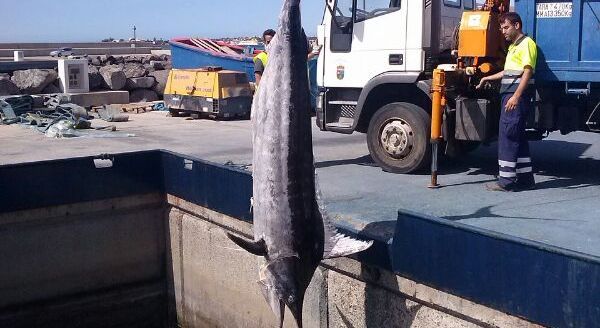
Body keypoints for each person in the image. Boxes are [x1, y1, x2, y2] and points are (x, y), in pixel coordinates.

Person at [476, 12, 537, 192]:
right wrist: (488, 78)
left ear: (517, 25)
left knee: (508, 136)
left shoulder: (527, 44)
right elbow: (508, 71)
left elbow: (527, 71)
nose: (503, 31)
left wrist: (516, 96)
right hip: (509, 94)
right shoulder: (513, 46)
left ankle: (506, 181)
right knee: (518, 136)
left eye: (506, 27)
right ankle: (526, 179)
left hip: (514, 97)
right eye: (502, 28)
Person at [253, 28, 322, 86]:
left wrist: (313, 53)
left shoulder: (282, 57)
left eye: (273, 41)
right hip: (265, 97)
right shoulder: (260, 58)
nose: (271, 44)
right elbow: (258, 81)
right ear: (264, 42)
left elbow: (298, 62)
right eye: (268, 42)